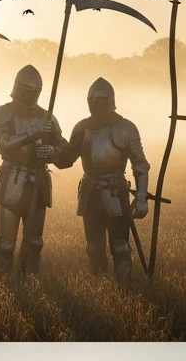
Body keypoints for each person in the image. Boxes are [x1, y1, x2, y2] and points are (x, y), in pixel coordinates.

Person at [56, 77, 150, 283]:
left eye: (100, 99)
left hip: (115, 192)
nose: (95, 102)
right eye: (93, 99)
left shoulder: (125, 128)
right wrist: (52, 140)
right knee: (94, 246)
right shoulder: (82, 128)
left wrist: (142, 197)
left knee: (120, 246)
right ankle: (99, 284)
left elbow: (140, 164)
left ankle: (124, 288)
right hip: (90, 192)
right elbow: (65, 159)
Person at [0, 64, 66, 274]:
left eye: (35, 89)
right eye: (26, 87)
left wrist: (51, 151)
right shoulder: (1, 113)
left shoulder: (47, 117)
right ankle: (3, 284)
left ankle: (29, 282)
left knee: (34, 243)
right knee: (5, 245)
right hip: (11, 178)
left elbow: (64, 151)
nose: (31, 92)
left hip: (39, 181)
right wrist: (33, 132)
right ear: (17, 86)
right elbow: (4, 143)